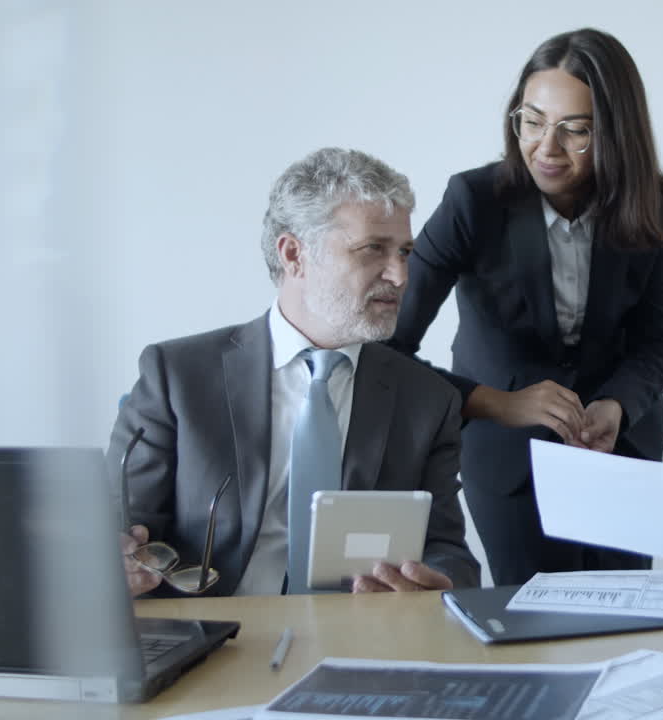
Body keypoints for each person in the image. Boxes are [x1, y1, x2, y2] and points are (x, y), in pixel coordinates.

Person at [108, 148, 480, 597]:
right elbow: (122, 528)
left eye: (404, 252)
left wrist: (436, 583)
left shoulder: (427, 399)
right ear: (294, 254)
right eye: (373, 250)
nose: (401, 275)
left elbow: (446, 550)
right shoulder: (178, 377)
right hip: (210, 636)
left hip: (355, 639)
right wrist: (116, 560)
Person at [388, 28, 663, 586]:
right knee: (533, 632)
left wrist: (617, 405)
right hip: (507, 463)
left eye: (575, 131)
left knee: (630, 625)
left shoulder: (654, 203)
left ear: (617, 134)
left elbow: (660, 341)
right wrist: (498, 404)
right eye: (531, 120)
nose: (545, 147)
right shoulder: (472, 202)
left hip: (620, 454)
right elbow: (387, 349)